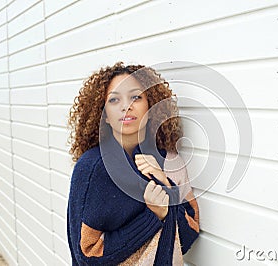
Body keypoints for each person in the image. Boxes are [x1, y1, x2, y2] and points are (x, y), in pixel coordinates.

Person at [67, 62, 200, 265]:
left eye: (136, 97)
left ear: (151, 106)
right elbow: (86, 256)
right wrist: (153, 216)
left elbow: (190, 232)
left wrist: (167, 195)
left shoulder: (170, 163)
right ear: (104, 116)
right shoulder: (92, 168)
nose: (125, 105)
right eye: (114, 99)